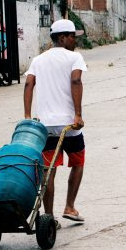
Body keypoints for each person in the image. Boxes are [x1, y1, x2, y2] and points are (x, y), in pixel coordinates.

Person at [23, 19, 87, 226]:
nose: (74, 41)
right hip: (70, 126)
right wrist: (78, 115)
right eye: (72, 37)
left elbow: (28, 84)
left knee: (48, 170)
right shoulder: (74, 57)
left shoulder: (38, 60)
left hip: (46, 127)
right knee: (78, 163)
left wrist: (27, 117)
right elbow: (76, 81)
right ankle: (70, 206)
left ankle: (49, 216)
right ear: (62, 38)